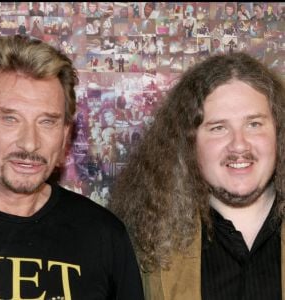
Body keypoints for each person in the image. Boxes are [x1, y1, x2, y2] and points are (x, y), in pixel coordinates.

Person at [109, 52, 285, 299]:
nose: (239, 145)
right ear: (188, 144)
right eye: (218, 128)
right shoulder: (142, 246)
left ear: (279, 132)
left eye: (254, 124)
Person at [0, 35, 144, 299]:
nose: (29, 143)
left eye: (47, 122)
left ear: (64, 135)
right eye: (10, 118)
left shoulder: (102, 235)